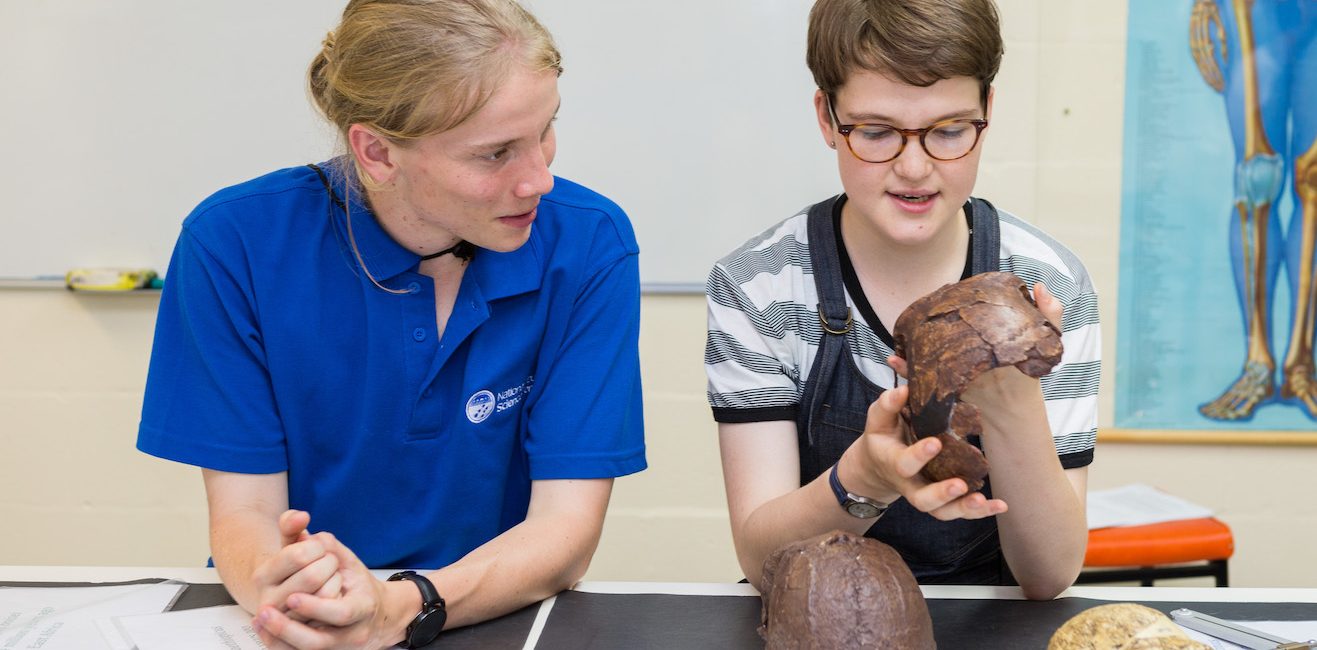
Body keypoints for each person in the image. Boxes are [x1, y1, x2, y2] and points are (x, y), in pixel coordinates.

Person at [136, 1, 646, 647]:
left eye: (546, 130)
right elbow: (246, 512)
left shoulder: (586, 241)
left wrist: (401, 607)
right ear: (376, 151)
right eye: (495, 155)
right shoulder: (235, 242)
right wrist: (282, 585)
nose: (538, 179)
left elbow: (563, 531)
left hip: (480, 612)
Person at [704, 0, 1100, 600]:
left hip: (989, 618)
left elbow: (1049, 574)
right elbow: (763, 561)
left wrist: (1012, 401)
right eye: (876, 132)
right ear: (827, 117)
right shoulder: (758, 285)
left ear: (987, 113)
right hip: (812, 610)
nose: (914, 168)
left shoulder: (1049, 284)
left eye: (948, 130)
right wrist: (864, 476)